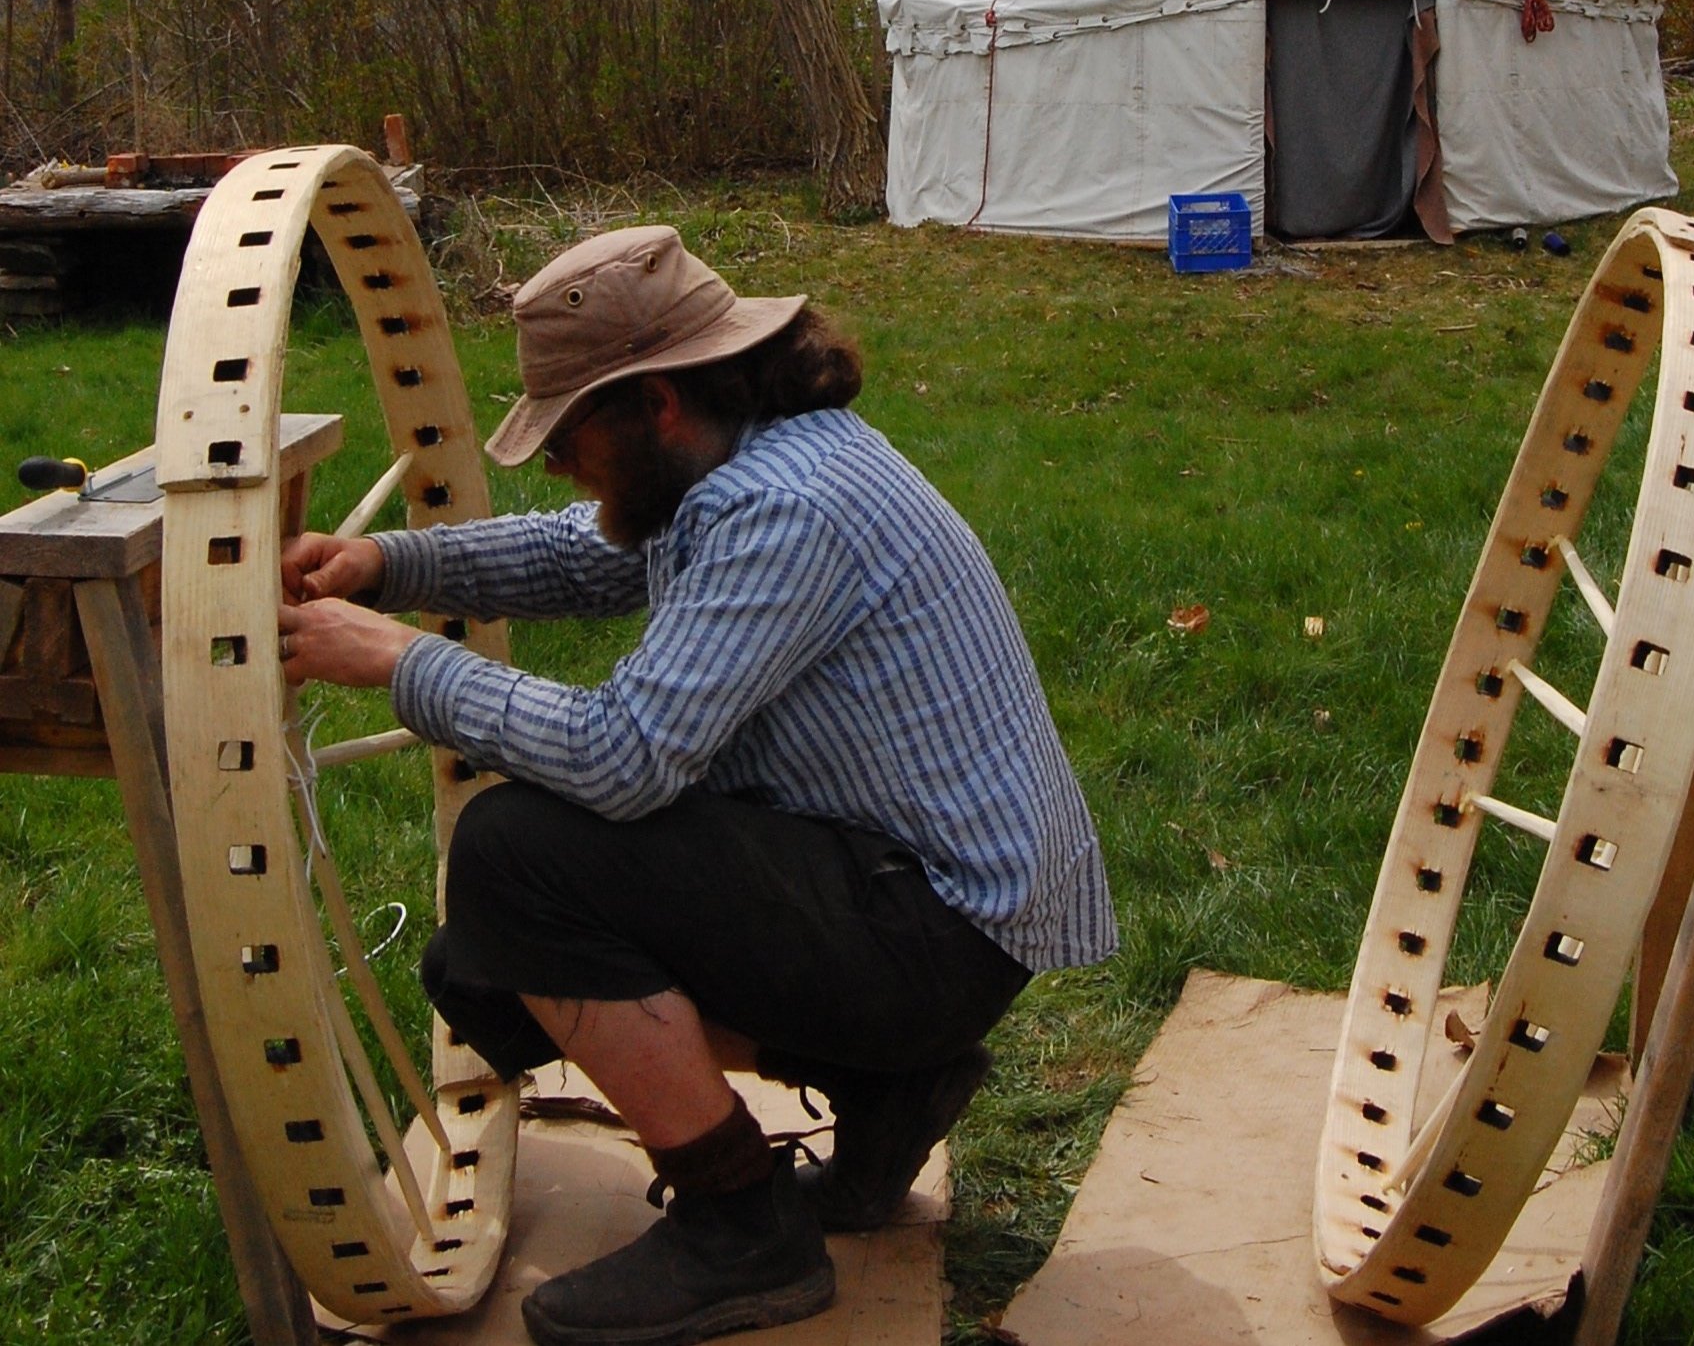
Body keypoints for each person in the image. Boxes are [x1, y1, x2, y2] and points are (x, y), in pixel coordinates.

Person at [277, 226, 1117, 1346]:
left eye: (571, 433)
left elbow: (624, 759)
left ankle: (740, 1227)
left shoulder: (780, 506)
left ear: (655, 401)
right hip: (917, 902)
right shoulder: (753, 455)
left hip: (935, 931)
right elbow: (589, 552)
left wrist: (397, 660)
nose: (564, 462)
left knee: (511, 853)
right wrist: (390, 566)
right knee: (479, 970)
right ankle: (887, 1094)